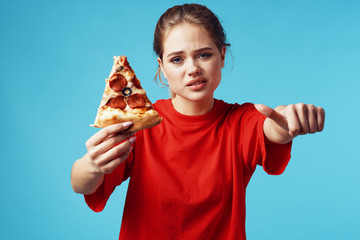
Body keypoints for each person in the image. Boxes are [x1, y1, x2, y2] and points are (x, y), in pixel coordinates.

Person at [71, 3, 325, 240]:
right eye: (177, 59)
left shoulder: (240, 121)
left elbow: (271, 127)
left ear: (222, 56)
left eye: (203, 55)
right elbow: (81, 183)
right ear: (162, 67)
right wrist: (92, 164)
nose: (192, 68)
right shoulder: (141, 125)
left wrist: (287, 119)